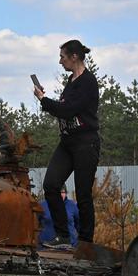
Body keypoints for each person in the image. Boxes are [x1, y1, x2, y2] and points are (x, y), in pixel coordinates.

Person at [33, 39, 100, 249]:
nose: (60, 61)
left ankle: (85, 242)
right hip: (68, 142)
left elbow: (67, 110)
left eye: (62, 56)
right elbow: (64, 106)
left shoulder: (88, 82)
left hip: (85, 143)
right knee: (51, 185)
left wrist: (43, 100)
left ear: (74, 57)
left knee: (83, 193)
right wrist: (49, 100)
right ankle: (62, 236)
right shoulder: (71, 81)